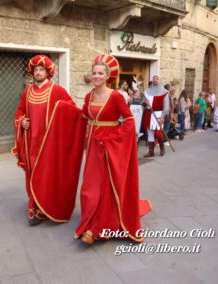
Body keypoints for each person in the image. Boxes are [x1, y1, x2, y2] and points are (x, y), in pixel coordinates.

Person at [74, 54, 151, 245]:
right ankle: (91, 222)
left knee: (106, 186)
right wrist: (58, 109)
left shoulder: (115, 96)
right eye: (94, 73)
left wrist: (111, 139)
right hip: (93, 145)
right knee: (89, 188)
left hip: (108, 146)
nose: (97, 76)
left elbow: (129, 120)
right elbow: (83, 115)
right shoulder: (89, 96)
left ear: (108, 76)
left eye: (101, 73)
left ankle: (98, 228)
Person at [12, 55, 86, 226]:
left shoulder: (58, 90)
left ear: (48, 72)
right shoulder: (27, 92)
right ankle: (34, 208)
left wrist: (87, 115)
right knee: (33, 175)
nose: (38, 72)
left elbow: (72, 112)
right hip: (31, 143)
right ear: (32, 73)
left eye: (41, 70)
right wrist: (21, 121)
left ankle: (48, 207)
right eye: (36, 70)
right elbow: (19, 111)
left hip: (50, 145)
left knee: (48, 176)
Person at [141, 75, 169, 157]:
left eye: (157, 79)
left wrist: (163, 117)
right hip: (149, 114)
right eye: (153, 78)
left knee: (158, 133)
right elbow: (142, 102)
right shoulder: (147, 91)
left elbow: (166, 107)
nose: (155, 80)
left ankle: (162, 148)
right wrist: (145, 103)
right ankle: (151, 151)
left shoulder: (164, 92)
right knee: (150, 133)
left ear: (160, 80)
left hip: (158, 115)